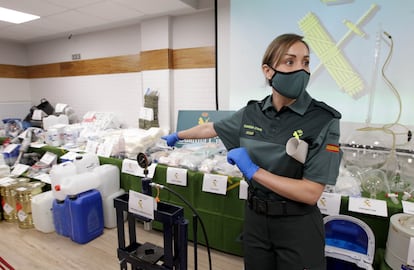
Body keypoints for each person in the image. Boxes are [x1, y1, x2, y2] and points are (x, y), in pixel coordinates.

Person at [162, 33, 342, 270]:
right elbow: (210, 127)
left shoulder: (322, 120)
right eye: (290, 62)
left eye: (306, 62)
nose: (302, 70)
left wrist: (253, 171)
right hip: (256, 219)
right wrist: (178, 136)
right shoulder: (252, 113)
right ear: (268, 71)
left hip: (297, 224)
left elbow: (310, 192)